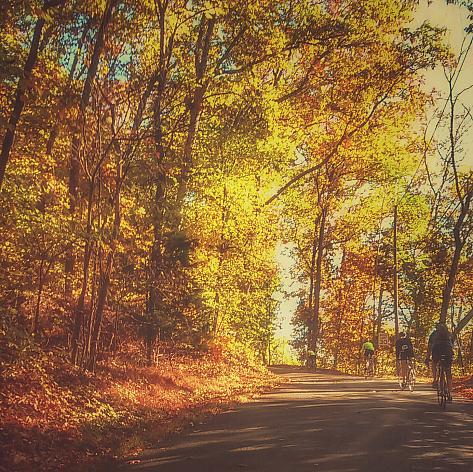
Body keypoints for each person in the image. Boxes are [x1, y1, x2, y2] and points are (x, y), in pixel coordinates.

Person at [425, 322, 454, 398]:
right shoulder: (449, 334)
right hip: (448, 352)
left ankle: (435, 379)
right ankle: (450, 392)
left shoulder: (433, 334)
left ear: (436, 328)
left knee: (434, 363)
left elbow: (429, 347)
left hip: (436, 351)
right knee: (448, 371)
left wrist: (427, 357)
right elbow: (452, 345)